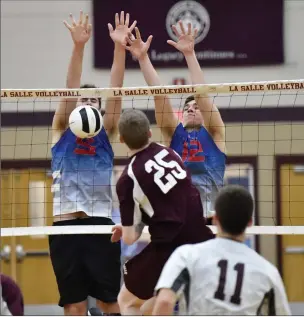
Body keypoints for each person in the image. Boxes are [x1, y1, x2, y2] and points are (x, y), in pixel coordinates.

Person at [50, 11, 136, 315]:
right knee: (73, 306)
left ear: (100, 109)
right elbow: (70, 87)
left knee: (109, 302)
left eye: (93, 101)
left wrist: (118, 48)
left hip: (100, 224)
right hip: (65, 226)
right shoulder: (61, 126)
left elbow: (116, 89)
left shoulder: (107, 131)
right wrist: (78, 47)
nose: (88, 104)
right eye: (83, 100)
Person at [111, 109, 214, 315]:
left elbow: (130, 238)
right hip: (202, 238)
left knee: (126, 301)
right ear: (150, 133)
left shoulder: (127, 179)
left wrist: (128, 227)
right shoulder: (170, 152)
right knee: (154, 303)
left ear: (121, 139)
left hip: (170, 246)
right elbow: (178, 196)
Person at [124, 22, 226, 220]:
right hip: (181, 217)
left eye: (196, 107)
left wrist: (190, 54)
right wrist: (143, 58)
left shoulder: (214, 132)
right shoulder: (174, 133)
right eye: (187, 108)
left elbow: (202, 95)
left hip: (211, 218)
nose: (191, 109)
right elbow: (159, 95)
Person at [153, 185, 291, 315]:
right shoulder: (267, 271)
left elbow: (165, 301)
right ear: (250, 222)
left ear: (215, 219)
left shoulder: (186, 255)